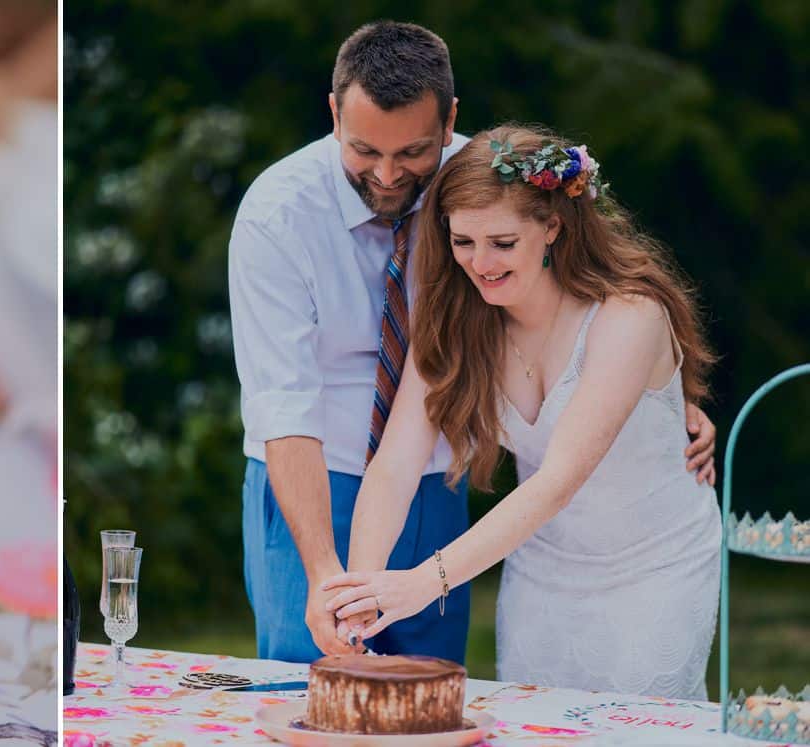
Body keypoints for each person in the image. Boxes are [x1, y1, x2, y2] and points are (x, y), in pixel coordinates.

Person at [227, 20, 718, 665]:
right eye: (460, 244)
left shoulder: (493, 181)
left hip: (607, 550)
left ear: (552, 227)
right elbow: (350, 438)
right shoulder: (285, 218)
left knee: (440, 694)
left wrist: (661, 404)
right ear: (334, 114)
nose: (387, 173)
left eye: (410, 154)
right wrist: (345, 588)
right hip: (323, 478)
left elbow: (564, 463)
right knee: (310, 687)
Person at [323, 125, 721, 699]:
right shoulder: (455, 325)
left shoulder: (630, 315)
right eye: (463, 242)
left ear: (553, 227)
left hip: (656, 563)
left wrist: (422, 583)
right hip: (542, 561)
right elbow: (394, 466)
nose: (480, 263)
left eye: (502, 243)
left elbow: (557, 481)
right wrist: (362, 592)